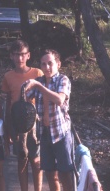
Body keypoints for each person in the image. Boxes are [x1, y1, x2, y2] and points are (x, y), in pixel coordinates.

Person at [24, 49, 74, 191]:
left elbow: (59, 99)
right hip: (44, 133)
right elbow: (25, 97)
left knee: (65, 173)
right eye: (43, 64)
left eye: (50, 63)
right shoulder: (39, 81)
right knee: (50, 174)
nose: (47, 67)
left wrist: (39, 86)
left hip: (61, 134)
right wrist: (25, 92)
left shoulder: (62, 80)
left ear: (58, 64)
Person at [1, 40, 43, 191]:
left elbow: (43, 97)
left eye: (22, 55)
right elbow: (7, 102)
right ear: (11, 56)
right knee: (22, 158)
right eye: (16, 55)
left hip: (34, 122)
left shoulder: (37, 73)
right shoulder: (8, 76)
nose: (20, 58)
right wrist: (7, 127)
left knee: (36, 160)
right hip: (16, 123)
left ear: (28, 55)